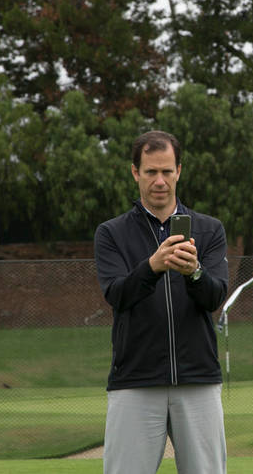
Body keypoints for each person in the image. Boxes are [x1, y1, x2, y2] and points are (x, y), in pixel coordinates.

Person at [94, 130, 229, 474]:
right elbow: (117, 294)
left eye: (167, 171)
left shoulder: (209, 229)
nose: (159, 181)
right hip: (135, 380)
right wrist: (153, 267)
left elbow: (215, 296)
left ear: (179, 171)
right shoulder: (111, 233)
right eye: (151, 172)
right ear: (135, 172)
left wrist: (194, 273)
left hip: (197, 379)